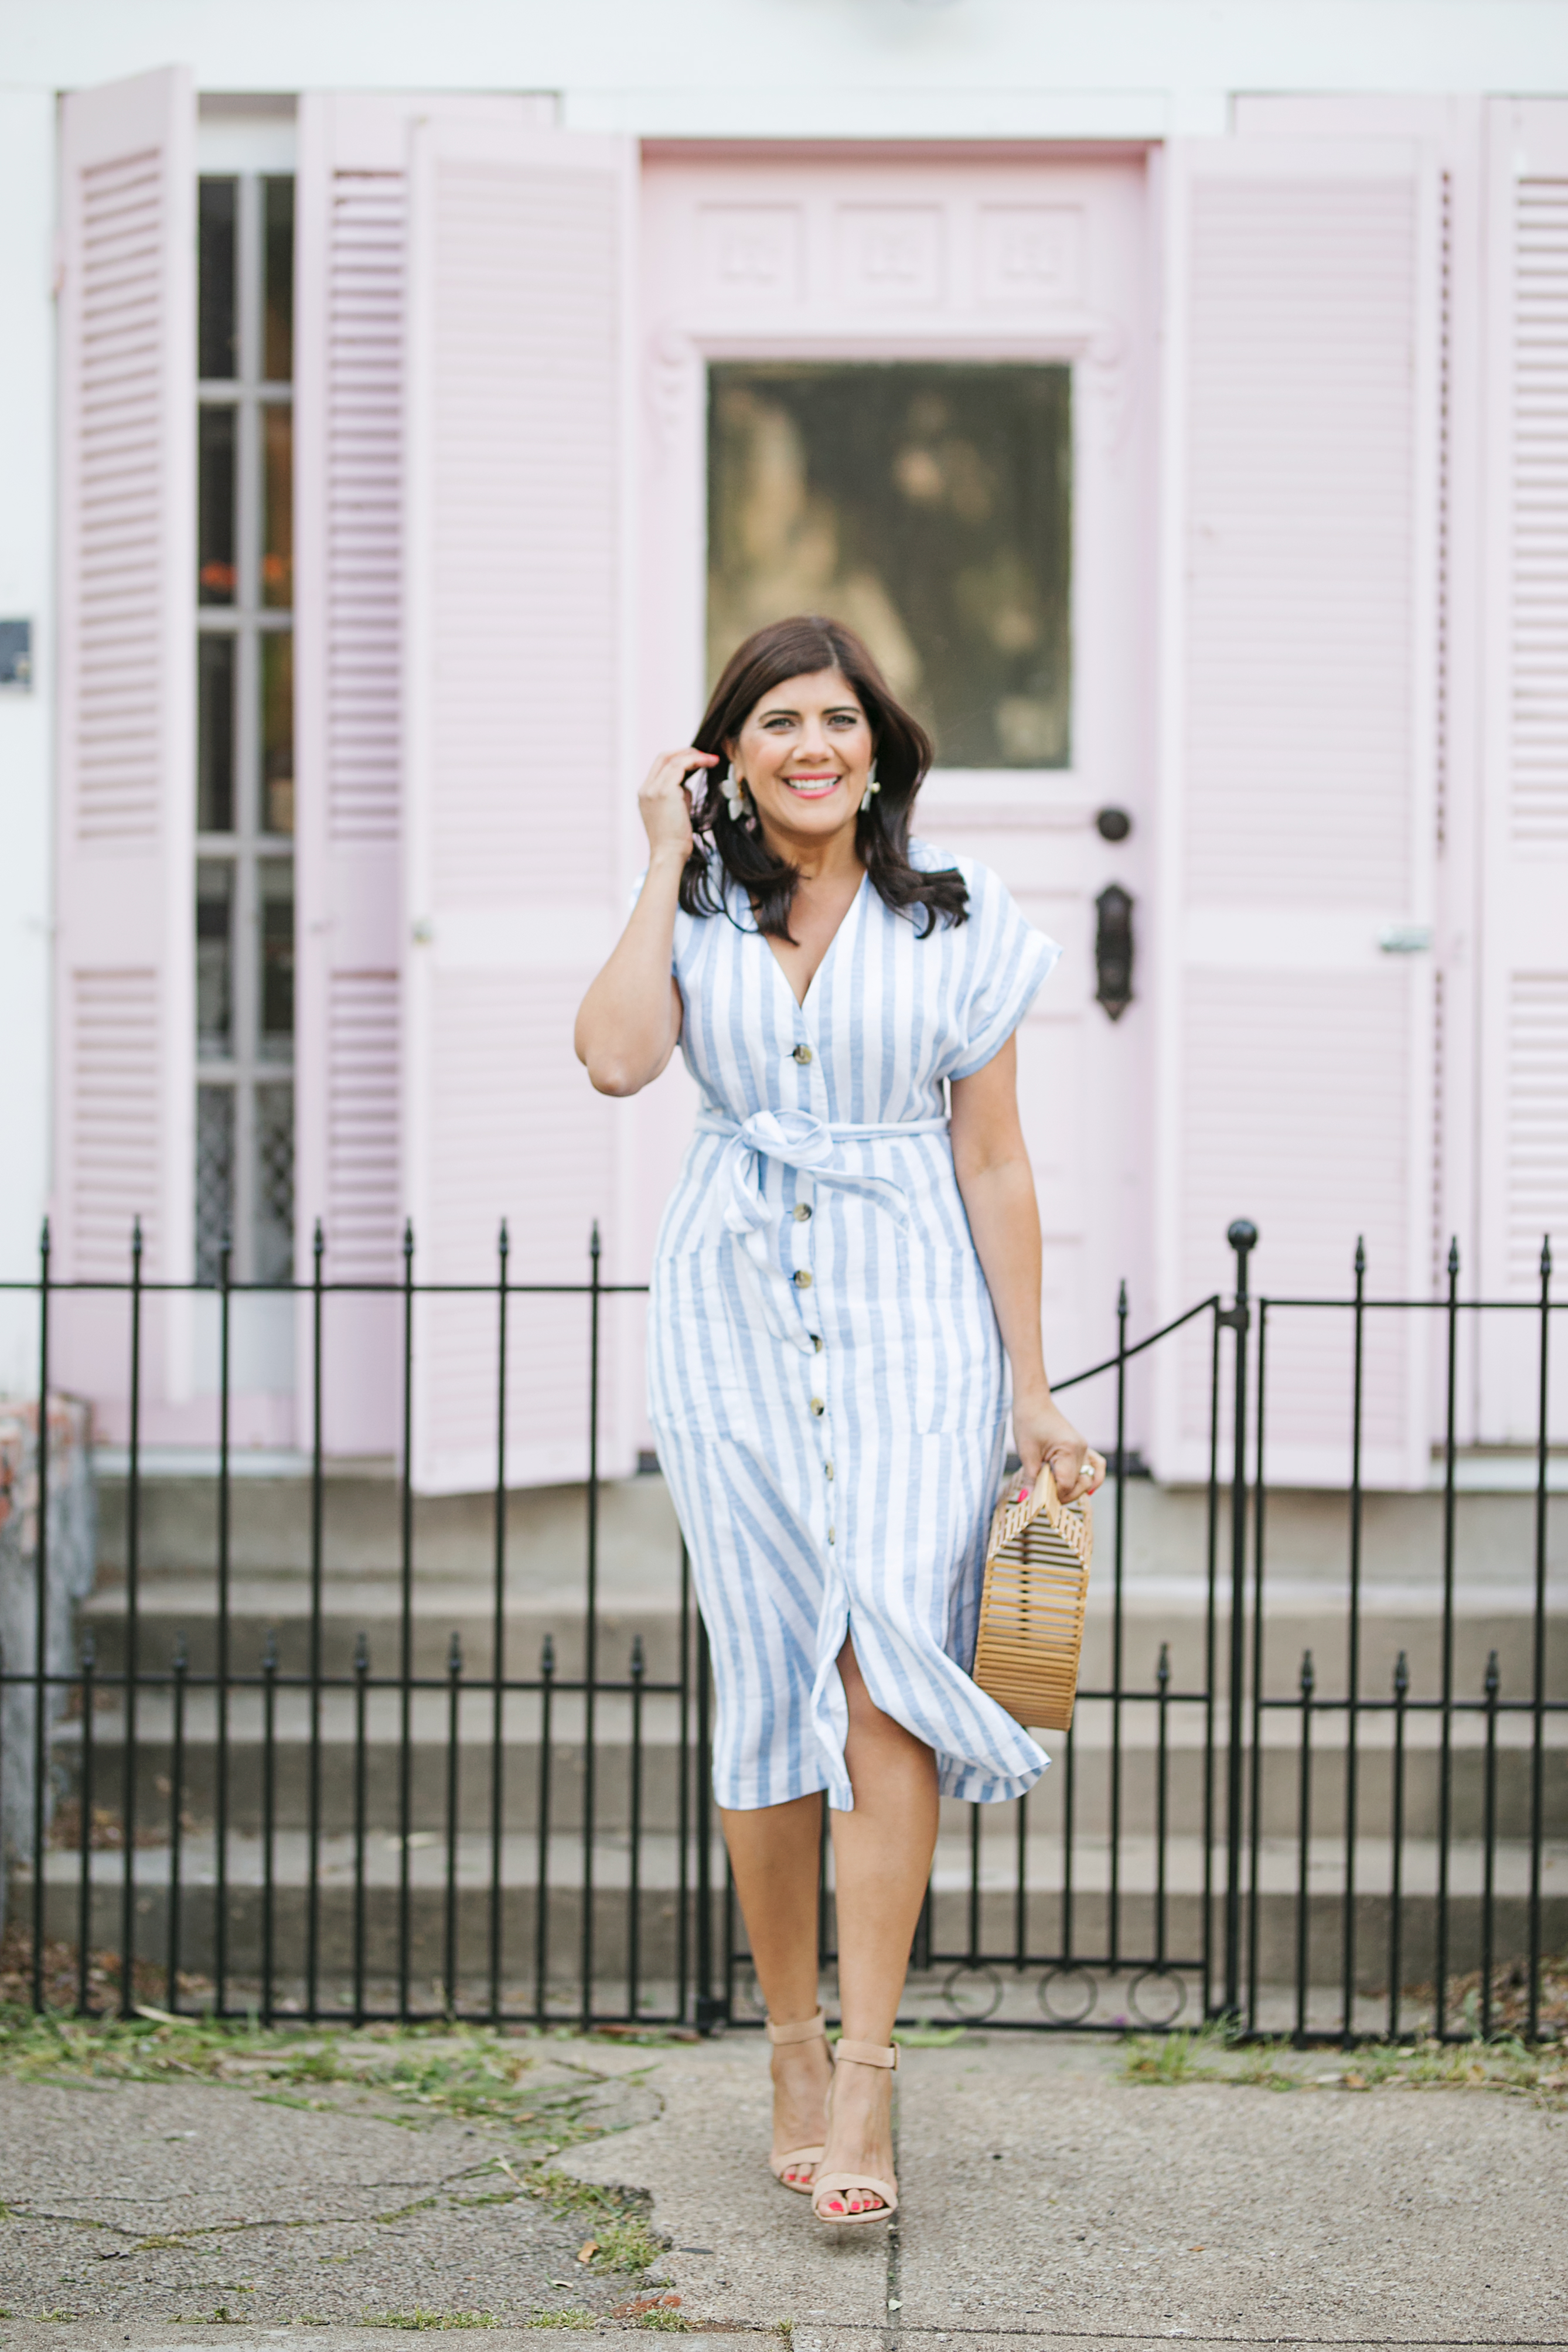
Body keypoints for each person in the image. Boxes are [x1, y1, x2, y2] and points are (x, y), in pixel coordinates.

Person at [575, 615, 1103, 2225]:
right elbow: (611, 1063)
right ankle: (788, 2046)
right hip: (729, 1325)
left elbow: (994, 1158)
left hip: (916, 1331)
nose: (814, 745)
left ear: (879, 744)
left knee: (884, 1676)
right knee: (766, 1680)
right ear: (727, 756)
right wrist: (662, 858)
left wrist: (1030, 1380)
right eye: (777, 724)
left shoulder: (959, 913)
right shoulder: (700, 909)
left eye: (839, 719)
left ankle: (865, 2077)